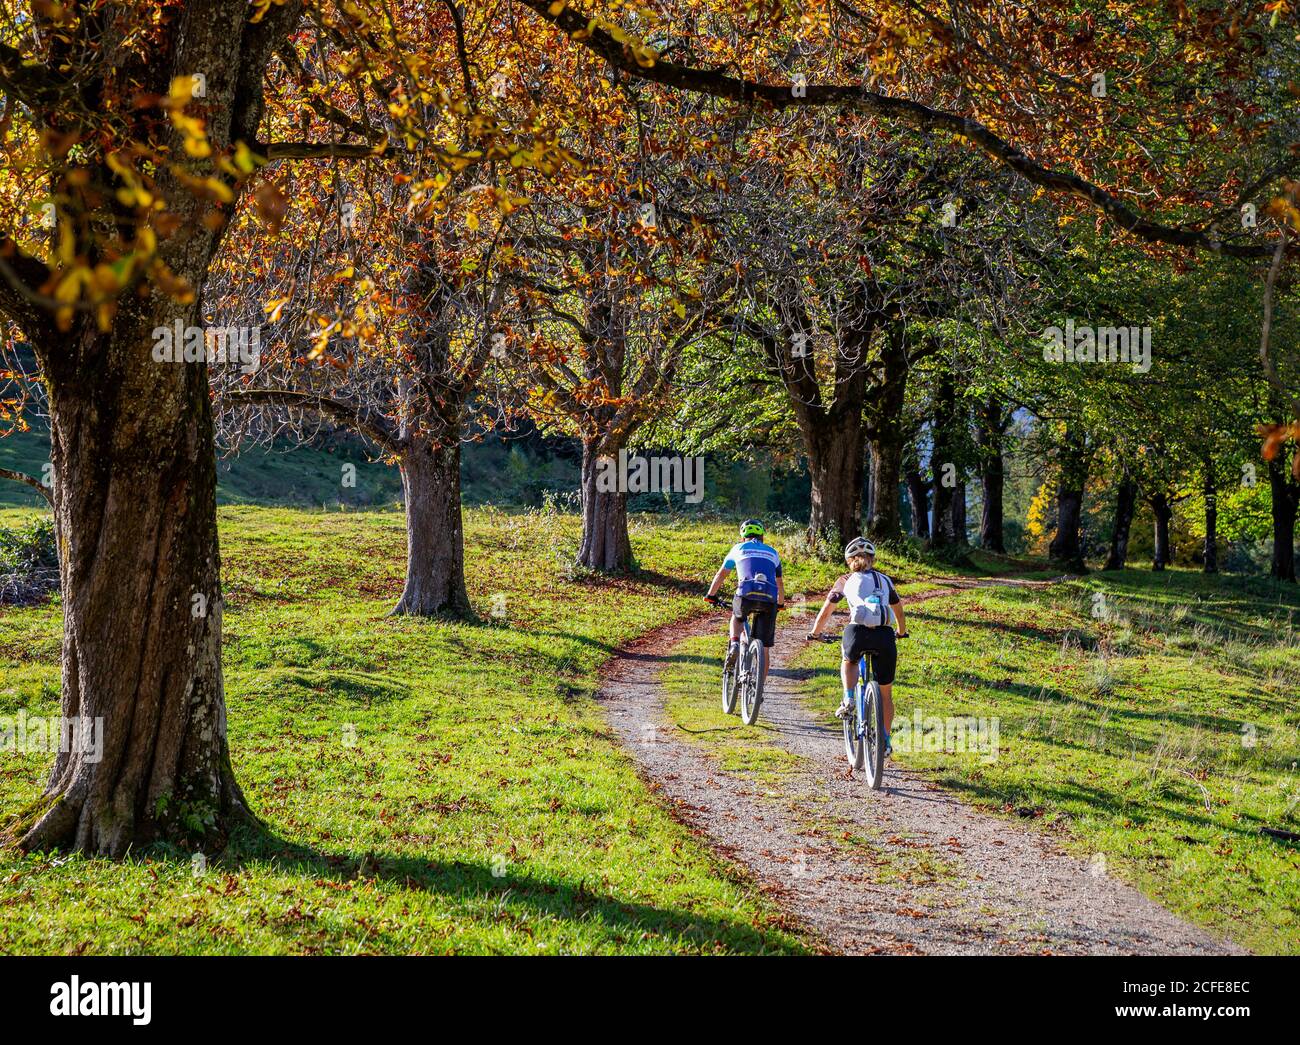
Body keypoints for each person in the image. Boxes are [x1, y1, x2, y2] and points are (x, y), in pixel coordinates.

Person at [806, 537, 908, 757]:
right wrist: (900, 631)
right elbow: (898, 609)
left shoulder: (845, 580)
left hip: (857, 632)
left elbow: (826, 610)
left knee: (849, 660)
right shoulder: (885, 580)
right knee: (886, 693)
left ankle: (849, 697)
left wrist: (815, 633)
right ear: (872, 559)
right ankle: (886, 740)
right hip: (884, 635)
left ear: (849, 561)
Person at [704, 519, 785, 684]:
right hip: (769, 598)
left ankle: (734, 643)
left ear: (742, 536)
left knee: (737, 616)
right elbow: (780, 583)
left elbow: (721, 574)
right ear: (762, 536)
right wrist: (781, 603)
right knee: (765, 648)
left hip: (745, 594)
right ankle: (758, 688)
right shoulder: (773, 552)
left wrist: (710, 595)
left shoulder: (738, 548)